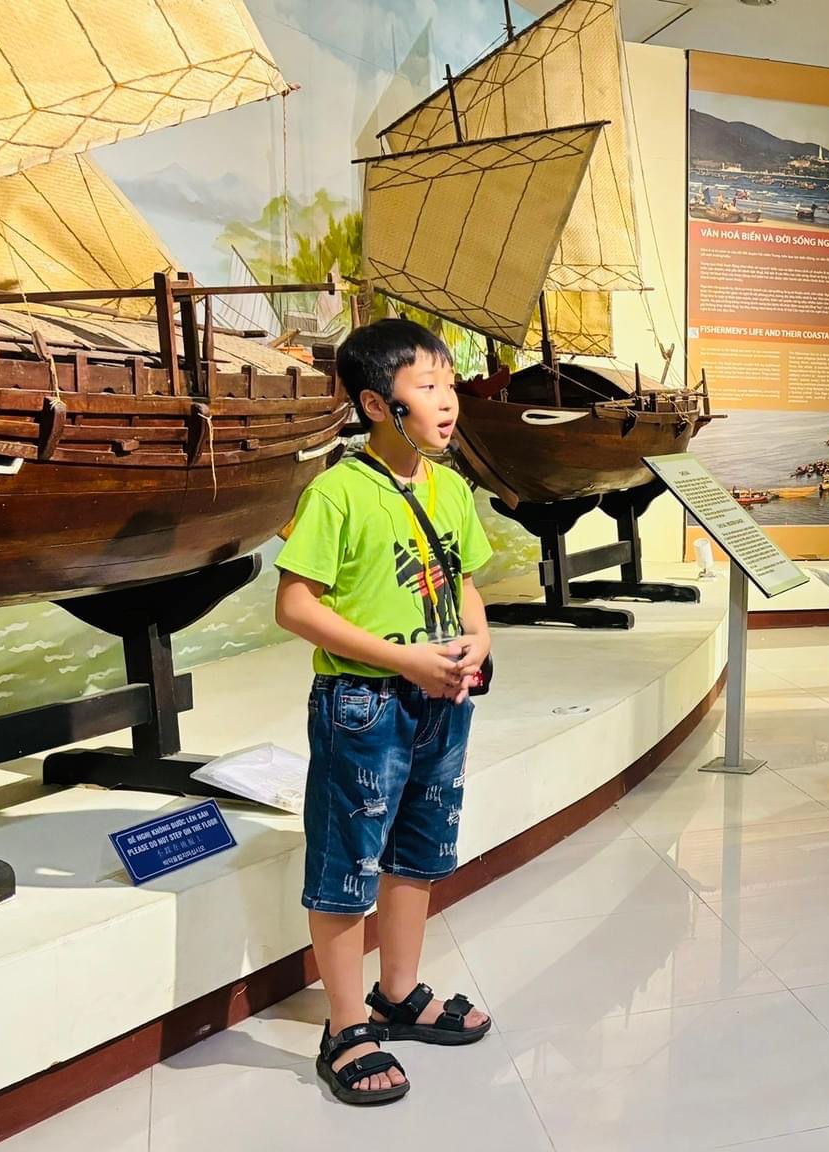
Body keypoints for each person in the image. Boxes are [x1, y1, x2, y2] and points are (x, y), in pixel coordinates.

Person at [273, 318, 495, 1106]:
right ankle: (343, 1026)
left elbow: (464, 578)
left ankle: (396, 993)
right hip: (362, 704)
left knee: (419, 851)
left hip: (443, 702)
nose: (448, 403)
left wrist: (477, 637)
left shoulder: (450, 488)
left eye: (450, 385)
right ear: (376, 403)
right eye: (427, 387)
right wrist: (401, 658)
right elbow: (295, 606)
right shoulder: (337, 491)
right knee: (346, 864)